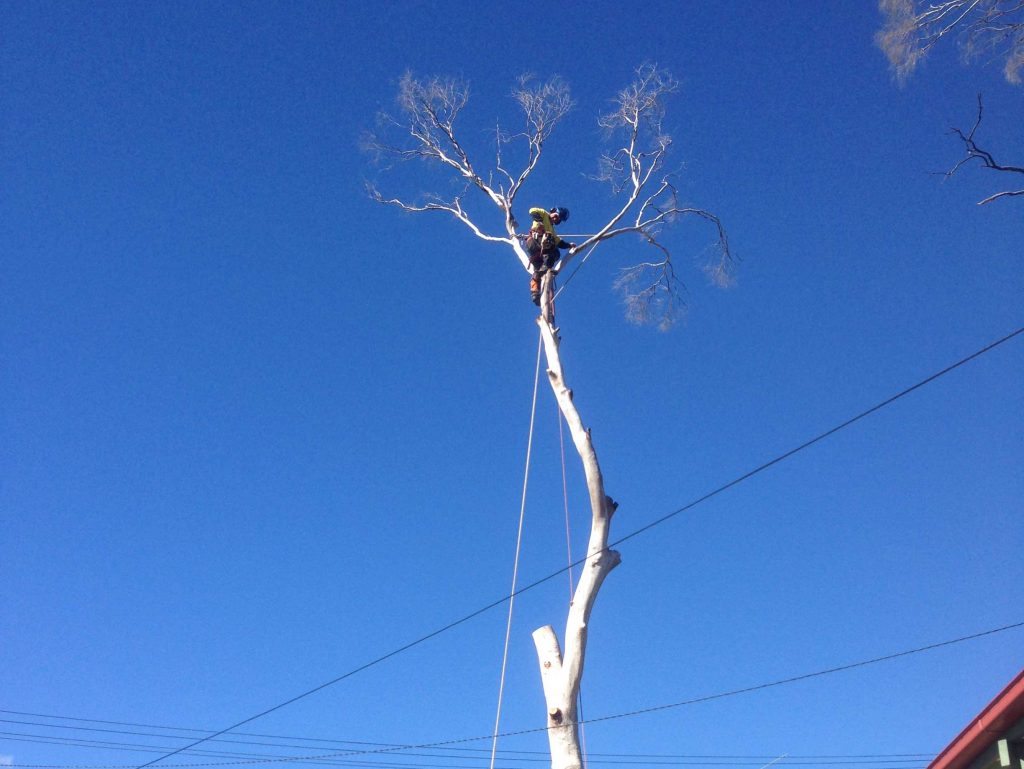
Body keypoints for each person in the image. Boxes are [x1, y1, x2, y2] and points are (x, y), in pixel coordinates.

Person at [524, 206, 575, 305]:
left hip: (538, 253)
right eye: (556, 216)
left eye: (558, 219)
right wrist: (539, 221)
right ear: (553, 211)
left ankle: (535, 293)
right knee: (551, 246)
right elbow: (532, 210)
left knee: (539, 269)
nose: (555, 219)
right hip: (534, 242)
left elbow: (559, 242)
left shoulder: (551, 230)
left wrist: (569, 245)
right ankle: (545, 267)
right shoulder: (544, 214)